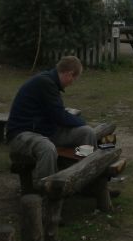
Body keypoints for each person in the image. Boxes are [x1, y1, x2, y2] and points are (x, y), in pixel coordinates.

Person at [7, 56, 97, 187]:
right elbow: (60, 116)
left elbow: (57, 114)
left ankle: (86, 178)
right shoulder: (45, 83)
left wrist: (82, 124)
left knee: (87, 132)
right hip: (22, 134)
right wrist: (81, 121)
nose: (72, 83)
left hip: (44, 131)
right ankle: (46, 189)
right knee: (47, 148)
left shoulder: (51, 82)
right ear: (70, 74)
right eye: (74, 78)